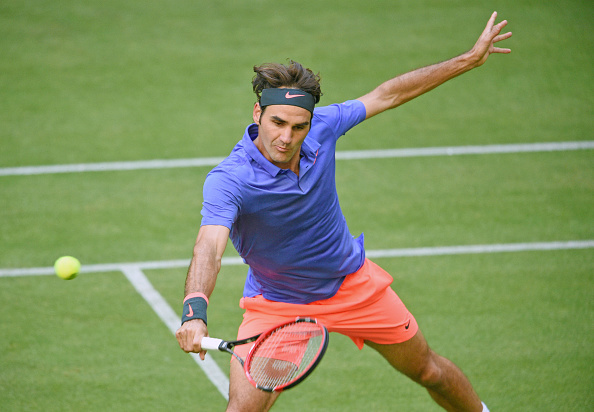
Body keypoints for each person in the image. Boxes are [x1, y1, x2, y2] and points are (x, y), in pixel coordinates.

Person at [176, 11, 512, 412]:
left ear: (311, 122)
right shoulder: (230, 180)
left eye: (298, 127)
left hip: (353, 284)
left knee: (429, 372)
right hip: (278, 304)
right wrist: (194, 309)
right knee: (242, 409)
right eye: (277, 122)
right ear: (257, 114)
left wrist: (466, 60)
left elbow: (388, 93)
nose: (286, 137)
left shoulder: (324, 128)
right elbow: (208, 247)